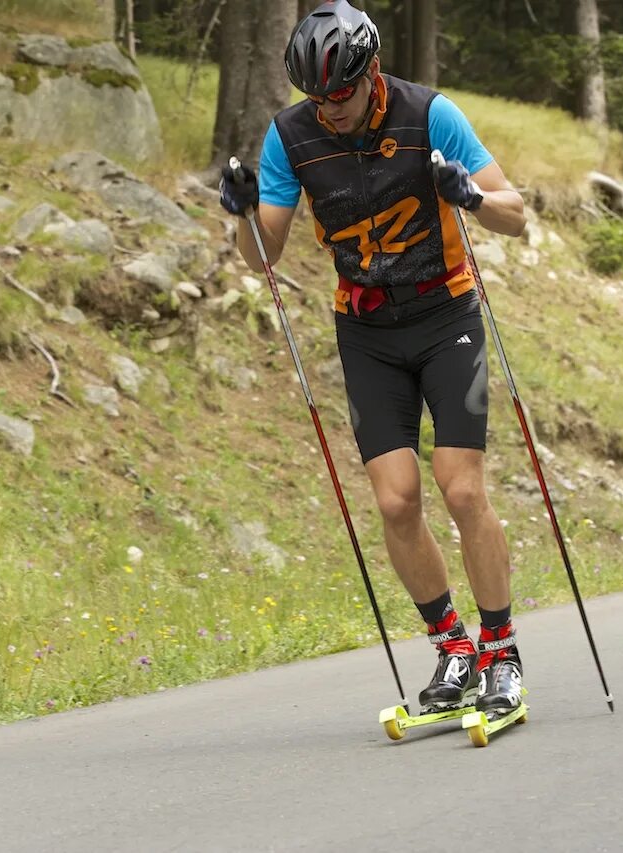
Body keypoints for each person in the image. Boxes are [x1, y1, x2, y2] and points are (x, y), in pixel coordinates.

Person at [218, 0, 528, 715]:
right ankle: (452, 646)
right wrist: (238, 216)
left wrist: (471, 195)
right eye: (315, 98)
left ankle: (501, 650)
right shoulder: (290, 138)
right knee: (395, 498)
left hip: (445, 311)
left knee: (461, 489)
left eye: (341, 95)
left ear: (372, 72)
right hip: (367, 330)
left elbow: (518, 211)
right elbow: (264, 255)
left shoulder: (430, 116)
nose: (329, 110)